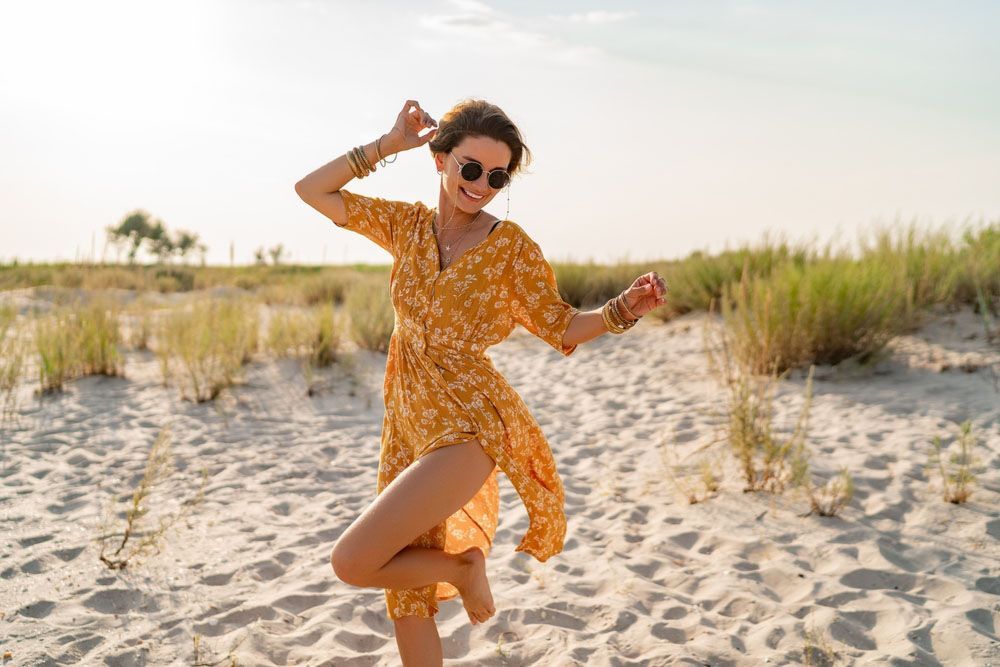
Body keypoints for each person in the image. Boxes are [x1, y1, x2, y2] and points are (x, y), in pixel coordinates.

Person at [295, 98, 667, 666]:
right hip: (407, 423)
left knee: (353, 560)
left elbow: (561, 325)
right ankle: (458, 571)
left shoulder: (510, 249)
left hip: (469, 424)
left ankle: (463, 568)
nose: (482, 184)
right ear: (440, 159)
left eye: (498, 176)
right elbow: (311, 190)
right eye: (471, 167)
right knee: (407, 598)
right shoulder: (407, 227)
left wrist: (623, 308)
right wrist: (388, 145)